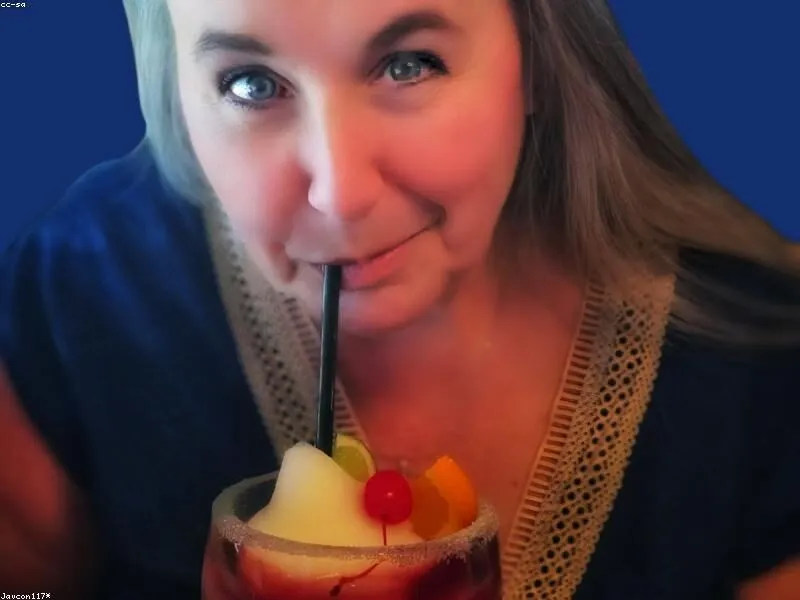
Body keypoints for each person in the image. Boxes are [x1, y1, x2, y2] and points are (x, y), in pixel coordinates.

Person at [1, 0, 798, 598]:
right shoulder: (86, 285)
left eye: (410, 64)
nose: (340, 192)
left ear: (537, 61)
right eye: (251, 83)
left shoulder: (753, 347)